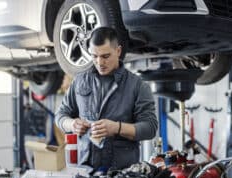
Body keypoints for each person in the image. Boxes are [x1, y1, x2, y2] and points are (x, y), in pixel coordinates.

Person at [55, 26, 158, 170]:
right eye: (94, 56)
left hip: (122, 172)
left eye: (105, 56)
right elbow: (60, 116)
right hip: (85, 171)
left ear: (118, 51)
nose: (99, 62)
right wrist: (72, 124)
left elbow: (150, 128)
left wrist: (117, 127)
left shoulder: (137, 85)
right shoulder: (80, 82)